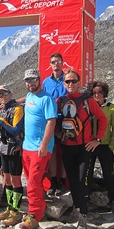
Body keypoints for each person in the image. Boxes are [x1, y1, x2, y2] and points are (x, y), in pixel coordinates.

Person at [57, 69, 107, 229]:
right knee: (73, 180)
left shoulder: (88, 101)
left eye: (73, 81)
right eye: (67, 81)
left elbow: (102, 119)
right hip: (67, 147)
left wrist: (97, 140)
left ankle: (82, 217)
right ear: (64, 84)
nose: (70, 84)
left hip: (85, 147)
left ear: (79, 83)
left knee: (82, 180)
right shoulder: (60, 100)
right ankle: (78, 209)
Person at [20, 69, 57, 229]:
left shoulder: (47, 99)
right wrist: (13, 101)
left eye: (33, 80)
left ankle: (35, 214)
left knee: (33, 181)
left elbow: (51, 122)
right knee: (30, 179)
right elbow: (26, 100)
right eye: (28, 81)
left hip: (39, 148)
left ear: (39, 80)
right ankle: (40, 202)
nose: (31, 83)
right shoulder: (29, 96)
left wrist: (44, 144)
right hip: (26, 146)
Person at [0, 85, 24, 227]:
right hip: (4, 147)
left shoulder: (18, 109)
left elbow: (15, 129)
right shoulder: (1, 109)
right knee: (7, 178)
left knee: (15, 179)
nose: (2, 97)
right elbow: (2, 127)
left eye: (5, 93)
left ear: (10, 94)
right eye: (0, 95)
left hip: (14, 148)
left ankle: (16, 211)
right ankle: (10, 208)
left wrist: (1, 122)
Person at [87, 81, 114, 213]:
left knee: (109, 174)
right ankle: (87, 199)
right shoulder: (88, 107)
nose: (97, 95)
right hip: (90, 145)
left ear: (104, 93)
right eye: (94, 93)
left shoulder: (111, 108)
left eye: (99, 92)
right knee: (87, 173)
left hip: (105, 146)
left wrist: (112, 145)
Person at [42, 53, 68, 196]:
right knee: (52, 152)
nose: (56, 64)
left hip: (65, 120)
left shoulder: (68, 79)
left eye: (58, 61)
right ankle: (53, 181)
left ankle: (63, 181)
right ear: (50, 64)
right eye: (53, 62)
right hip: (50, 120)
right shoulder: (46, 82)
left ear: (62, 63)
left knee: (63, 152)